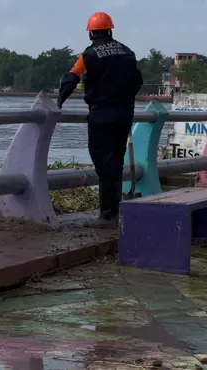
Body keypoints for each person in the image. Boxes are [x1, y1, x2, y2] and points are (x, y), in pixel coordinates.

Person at [56, 11, 143, 228]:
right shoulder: (127, 52)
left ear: (91, 34)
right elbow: (137, 80)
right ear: (110, 30)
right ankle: (116, 210)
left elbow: (71, 78)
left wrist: (58, 102)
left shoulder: (89, 54)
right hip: (124, 115)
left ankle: (107, 216)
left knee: (104, 165)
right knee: (116, 161)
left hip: (101, 115)